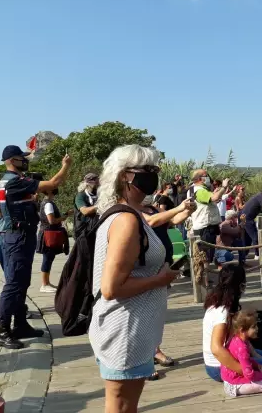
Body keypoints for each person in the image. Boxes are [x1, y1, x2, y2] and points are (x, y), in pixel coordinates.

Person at [89, 145, 180, 413]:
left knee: (125, 405)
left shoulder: (134, 214)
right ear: (124, 176)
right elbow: (111, 288)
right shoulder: (126, 220)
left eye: (155, 170)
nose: (153, 176)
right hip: (125, 329)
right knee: (121, 406)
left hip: (132, 328)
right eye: (146, 171)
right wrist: (160, 279)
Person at [0, 145, 71, 349]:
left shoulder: (4, 183)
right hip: (17, 238)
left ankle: (20, 324)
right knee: (13, 285)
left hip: (14, 236)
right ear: (12, 160)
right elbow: (53, 183)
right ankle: (3, 331)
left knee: (21, 282)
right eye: (22, 157)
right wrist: (65, 166)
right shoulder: (15, 181)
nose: (25, 160)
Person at [139, 194, 196, 380]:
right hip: (146, 270)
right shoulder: (135, 212)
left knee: (158, 312)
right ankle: (144, 361)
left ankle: (155, 350)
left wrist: (188, 210)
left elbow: (172, 220)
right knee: (145, 316)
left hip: (163, 267)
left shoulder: (155, 209)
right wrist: (179, 207)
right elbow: (152, 222)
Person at [202, 264, 262, 382]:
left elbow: (237, 335)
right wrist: (243, 370)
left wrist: (253, 354)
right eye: (243, 284)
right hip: (217, 367)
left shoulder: (221, 302)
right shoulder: (221, 312)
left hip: (232, 352)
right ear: (239, 285)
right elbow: (216, 349)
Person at [187, 170, 230, 284]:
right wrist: (223, 187)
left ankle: (204, 279)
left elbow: (211, 199)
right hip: (204, 227)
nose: (209, 178)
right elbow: (214, 198)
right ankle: (204, 282)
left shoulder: (192, 189)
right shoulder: (199, 190)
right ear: (200, 178)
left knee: (204, 255)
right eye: (206, 176)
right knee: (205, 256)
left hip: (202, 225)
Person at [36, 188, 70, 293]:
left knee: (49, 257)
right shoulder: (48, 204)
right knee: (47, 258)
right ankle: (44, 284)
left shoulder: (48, 203)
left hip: (48, 233)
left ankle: (47, 282)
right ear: (49, 191)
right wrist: (63, 217)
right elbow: (51, 220)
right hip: (48, 234)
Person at [74, 173, 99, 238]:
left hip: (96, 229)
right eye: (95, 182)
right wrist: (101, 206)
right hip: (83, 232)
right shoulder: (80, 196)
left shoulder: (99, 194)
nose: (98, 184)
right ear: (88, 183)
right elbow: (84, 211)